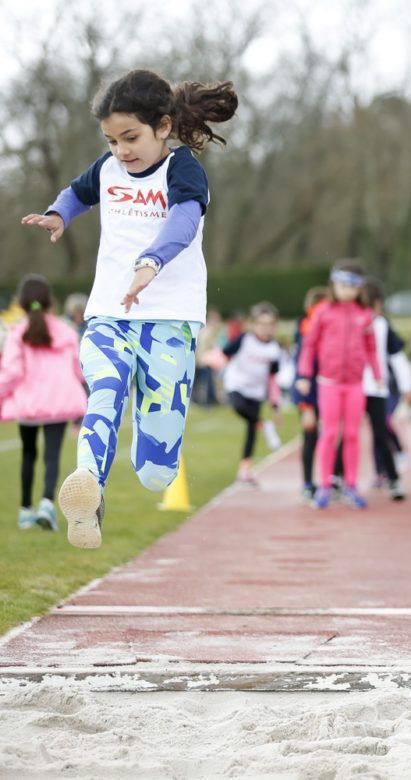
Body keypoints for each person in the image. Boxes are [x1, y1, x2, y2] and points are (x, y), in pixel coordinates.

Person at [20, 69, 238, 548]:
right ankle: (88, 492)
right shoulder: (109, 168)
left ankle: (148, 450)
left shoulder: (182, 169)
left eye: (130, 137)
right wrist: (59, 214)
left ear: (163, 126)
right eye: (112, 140)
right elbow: (79, 192)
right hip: (108, 314)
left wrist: (150, 264)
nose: (121, 150)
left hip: (167, 320)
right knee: (105, 389)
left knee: (157, 472)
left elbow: (183, 223)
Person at [0, 275, 88, 531]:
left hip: (29, 406)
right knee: (52, 456)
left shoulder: (18, 333)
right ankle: (47, 504)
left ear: (22, 303)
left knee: (28, 455)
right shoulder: (67, 331)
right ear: (50, 302)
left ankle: (25, 510)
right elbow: (79, 370)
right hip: (59, 404)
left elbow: (11, 373)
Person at [294, 261, 383, 510]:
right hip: (328, 383)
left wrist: (377, 374)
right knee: (330, 433)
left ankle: (351, 485)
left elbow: (371, 348)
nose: (347, 291)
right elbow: (309, 345)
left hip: (355, 384)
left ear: (359, 288)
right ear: (334, 285)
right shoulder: (322, 311)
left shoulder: (364, 314)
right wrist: (303, 374)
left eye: (353, 287)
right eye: (343, 285)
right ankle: (324, 486)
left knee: (352, 434)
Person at [357, 277, 411, 500]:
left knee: (381, 433)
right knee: (347, 434)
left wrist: (407, 386)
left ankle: (393, 479)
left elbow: (397, 357)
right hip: (352, 387)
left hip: (376, 387)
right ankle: (337, 479)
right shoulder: (350, 322)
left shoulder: (382, 325)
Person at [221, 302, 282, 485]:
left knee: (250, 431)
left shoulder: (274, 349)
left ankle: (245, 470)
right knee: (239, 407)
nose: (266, 329)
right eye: (262, 324)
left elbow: (272, 379)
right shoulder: (245, 339)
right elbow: (224, 353)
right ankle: (264, 425)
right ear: (254, 324)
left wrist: (275, 405)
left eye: (270, 325)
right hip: (236, 383)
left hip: (257, 391)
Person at [291, 286, 330, 504]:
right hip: (311, 394)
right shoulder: (306, 328)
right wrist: (305, 405)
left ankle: (333, 479)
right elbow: (301, 370)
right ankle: (307, 483)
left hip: (330, 390)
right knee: (310, 437)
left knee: (332, 437)